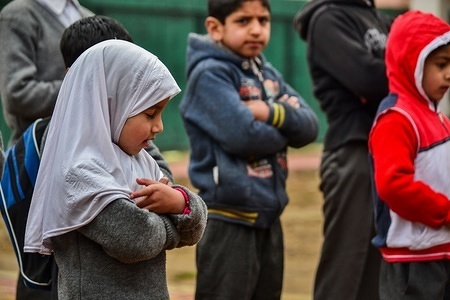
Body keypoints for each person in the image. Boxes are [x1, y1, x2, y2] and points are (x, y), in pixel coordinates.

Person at [23, 39, 208, 300]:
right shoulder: (78, 172)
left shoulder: (137, 158)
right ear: (111, 105)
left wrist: (179, 201)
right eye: (150, 114)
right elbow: (135, 240)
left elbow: (195, 228)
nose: (159, 127)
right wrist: (170, 223)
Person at [179, 0, 319, 298]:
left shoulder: (265, 72)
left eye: (263, 20)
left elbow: (309, 127)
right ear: (215, 28)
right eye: (244, 21)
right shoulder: (209, 75)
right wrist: (285, 127)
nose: (256, 29)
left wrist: (269, 113)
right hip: (228, 217)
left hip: (268, 215)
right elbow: (245, 136)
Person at [293, 1, 392, 299]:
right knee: (346, 268)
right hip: (353, 151)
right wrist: (402, 71)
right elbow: (368, 78)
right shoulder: (328, 18)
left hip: (387, 151)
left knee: (379, 270)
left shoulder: (379, 18)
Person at [369, 11, 450, 300]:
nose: (449, 73)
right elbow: (393, 185)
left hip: (440, 253)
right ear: (411, 63)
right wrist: (445, 212)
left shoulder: (438, 119)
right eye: (441, 64)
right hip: (412, 262)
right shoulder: (397, 120)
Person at [0, 0, 93, 147]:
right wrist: (81, 90)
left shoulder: (88, 16)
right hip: (36, 155)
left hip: (86, 148)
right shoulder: (17, 15)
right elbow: (17, 94)